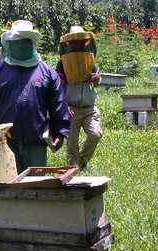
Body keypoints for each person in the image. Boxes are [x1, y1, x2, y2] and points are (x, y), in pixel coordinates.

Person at [0, 20, 70, 172]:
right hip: (6, 142)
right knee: (9, 187)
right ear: (10, 43)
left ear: (32, 43)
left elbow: (58, 103)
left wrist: (60, 131)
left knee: (35, 189)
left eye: (25, 41)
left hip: (36, 141)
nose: (20, 44)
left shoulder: (47, 73)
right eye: (17, 41)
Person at [56, 26, 102, 170]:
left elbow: (97, 80)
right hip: (72, 109)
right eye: (75, 41)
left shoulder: (90, 60)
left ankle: (82, 162)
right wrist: (65, 105)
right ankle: (72, 171)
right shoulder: (62, 63)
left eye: (81, 41)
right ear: (69, 43)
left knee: (95, 134)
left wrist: (96, 78)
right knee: (71, 145)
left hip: (89, 108)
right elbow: (58, 86)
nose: (78, 44)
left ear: (85, 42)